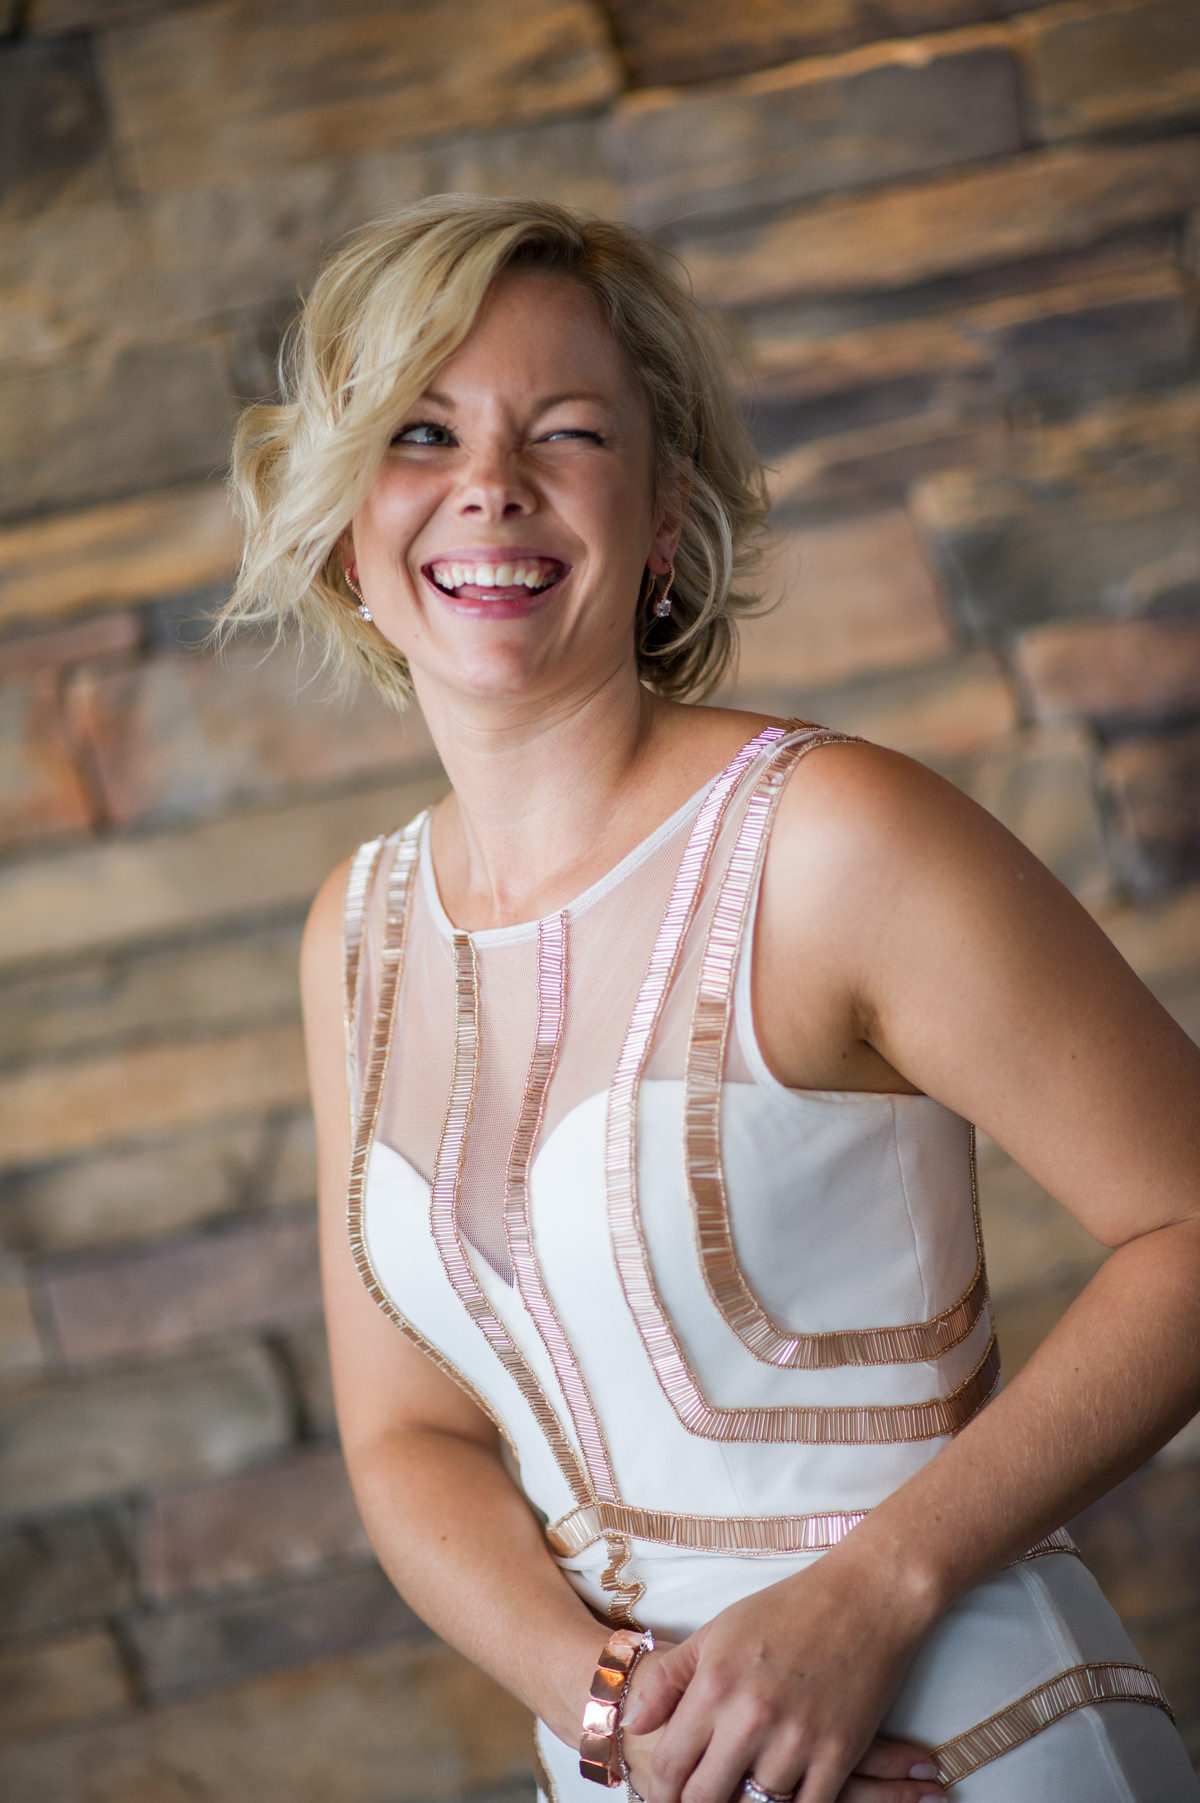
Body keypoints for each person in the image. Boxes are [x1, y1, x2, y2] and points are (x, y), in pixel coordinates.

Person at [221, 194, 1200, 1801]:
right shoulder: (357, 936)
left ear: (665, 515)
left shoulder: (836, 838)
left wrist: (867, 1598)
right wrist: (620, 1713)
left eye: (568, 431)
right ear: (343, 523)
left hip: (956, 1743)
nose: (490, 486)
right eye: (420, 431)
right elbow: (413, 1443)